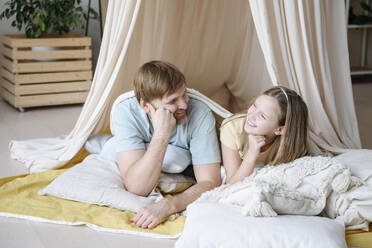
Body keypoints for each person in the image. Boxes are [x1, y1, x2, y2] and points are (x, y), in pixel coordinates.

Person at [102, 60, 221, 229]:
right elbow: (137, 188)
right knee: (107, 148)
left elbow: (210, 181)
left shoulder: (200, 113)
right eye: (173, 101)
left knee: (224, 95)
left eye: (184, 94)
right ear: (145, 105)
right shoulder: (126, 110)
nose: (184, 104)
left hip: (179, 150)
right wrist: (161, 134)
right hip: (136, 143)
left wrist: (169, 206)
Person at [220, 86, 309, 184]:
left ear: (280, 129)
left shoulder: (290, 145)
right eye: (254, 106)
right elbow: (230, 184)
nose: (251, 116)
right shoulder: (232, 128)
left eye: (262, 116)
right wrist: (251, 153)